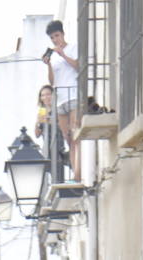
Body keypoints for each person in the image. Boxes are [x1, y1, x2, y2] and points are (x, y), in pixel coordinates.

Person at [43, 19, 80, 178]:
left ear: (63, 34)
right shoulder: (53, 56)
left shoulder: (73, 48)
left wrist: (63, 55)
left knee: (75, 134)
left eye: (57, 35)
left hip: (73, 95)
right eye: (52, 37)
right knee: (68, 138)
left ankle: (78, 173)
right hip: (60, 99)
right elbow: (52, 81)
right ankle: (74, 170)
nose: (55, 40)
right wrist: (49, 64)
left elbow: (78, 66)